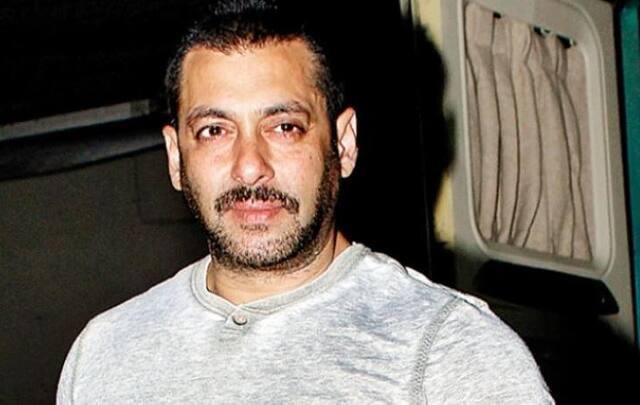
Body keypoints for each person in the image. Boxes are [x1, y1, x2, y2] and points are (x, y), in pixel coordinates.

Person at [57, 0, 554, 403]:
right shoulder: (105, 353)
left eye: (284, 127)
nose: (249, 166)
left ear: (344, 144)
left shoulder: (448, 351)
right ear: (175, 156)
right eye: (214, 130)